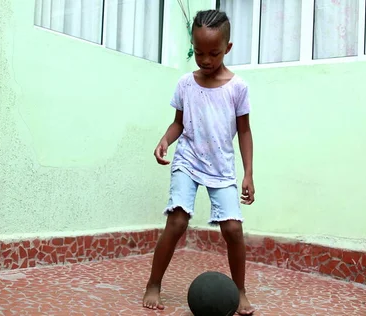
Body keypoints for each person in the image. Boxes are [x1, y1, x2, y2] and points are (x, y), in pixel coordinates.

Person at [142, 9, 256, 316]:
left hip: (222, 166)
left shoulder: (238, 88)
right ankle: (154, 283)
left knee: (232, 228)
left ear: (228, 48)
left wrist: (248, 174)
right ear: (193, 45)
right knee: (177, 220)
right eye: (199, 52)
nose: (206, 60)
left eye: (214, 53)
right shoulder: (185, 84)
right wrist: (165, 140)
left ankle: (240, 291)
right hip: (188, 159)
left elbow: (244, 131)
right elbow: (178, 123)